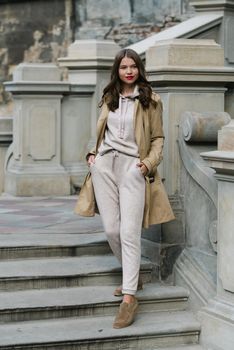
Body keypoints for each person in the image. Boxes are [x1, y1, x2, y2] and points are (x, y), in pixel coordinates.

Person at [75, 48, 175, 329]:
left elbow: (158, 138)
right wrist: (92, 156)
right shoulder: (109, 97)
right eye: (123, 67)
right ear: (117, 70)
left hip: (133, 169)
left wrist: (146, 165)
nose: (128, 71)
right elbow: (99, 131)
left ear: (139, 69)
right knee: (111, 230)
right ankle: (134, 276)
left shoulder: (151, 100)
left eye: (133, 66)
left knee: (129, 233)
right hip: (105, 167)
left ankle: (129, 298)